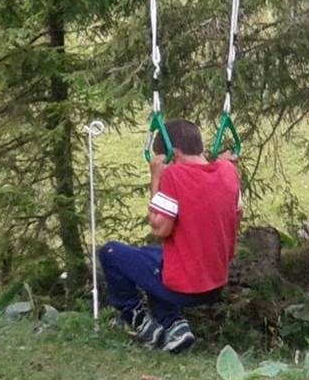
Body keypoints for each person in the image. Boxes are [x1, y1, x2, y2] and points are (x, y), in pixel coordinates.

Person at [98, 118, 240, 352]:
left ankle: (138, 320)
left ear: (172, 155)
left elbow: (159, 228)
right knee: (151, 256)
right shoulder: (227, 172)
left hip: (186, 288)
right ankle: (174, 326)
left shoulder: (174, 176)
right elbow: (236, 213)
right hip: (215, 283)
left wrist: (156, 177)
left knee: (111, 253)